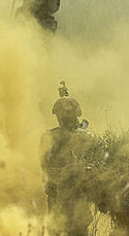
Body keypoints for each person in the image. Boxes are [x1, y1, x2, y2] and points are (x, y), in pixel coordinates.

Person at [39, 82, 93, 235]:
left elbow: (96, 164)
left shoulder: (83, 137)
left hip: (75, 198)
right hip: (61, 197)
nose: (63, 118)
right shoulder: (51, 138)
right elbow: (45, 165)